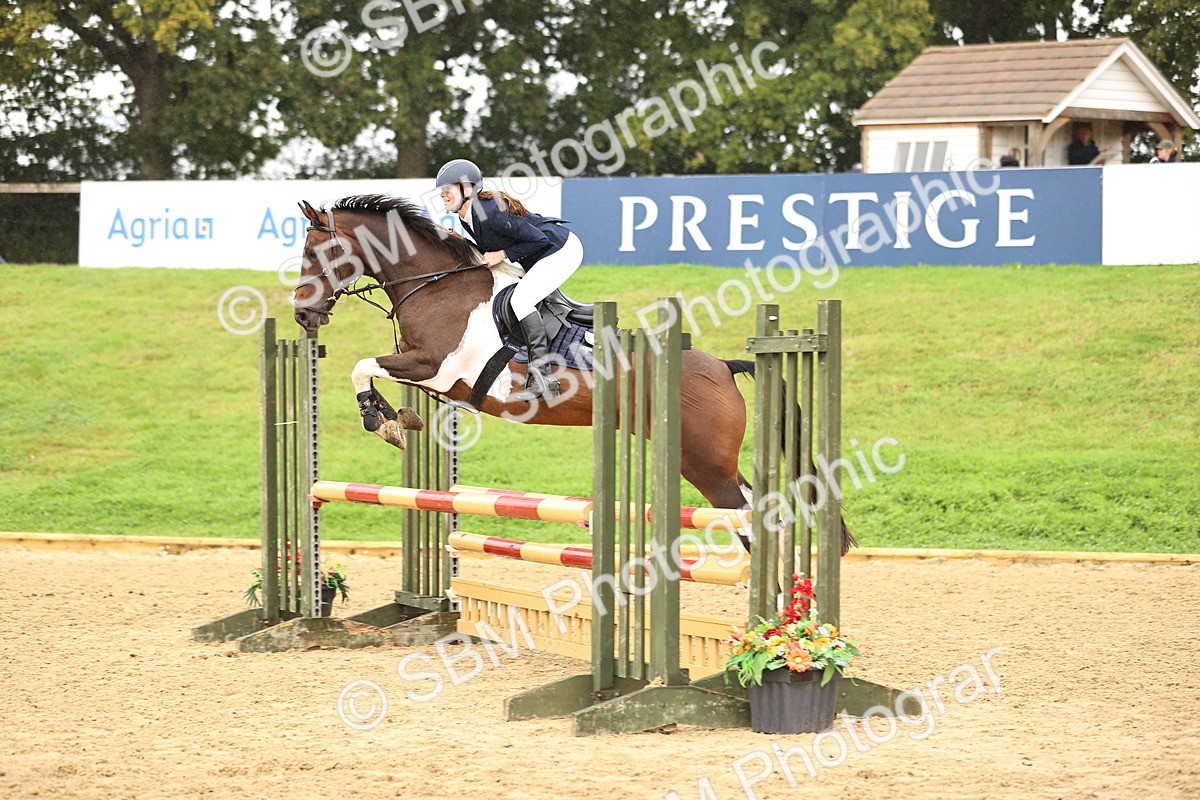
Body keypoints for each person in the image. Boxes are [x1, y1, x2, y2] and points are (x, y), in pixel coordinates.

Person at [434, 158, 582, 401]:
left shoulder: (490, 212)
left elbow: (538, 240)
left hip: (562, 249)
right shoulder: (466, 217)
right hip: (542, 255)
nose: (443, 195)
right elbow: (490, 247)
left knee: (521, 301)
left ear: (467, 189)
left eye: (447, 189)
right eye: (442, 191)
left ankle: (544, 377)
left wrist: (502, 254)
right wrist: (464, 244)